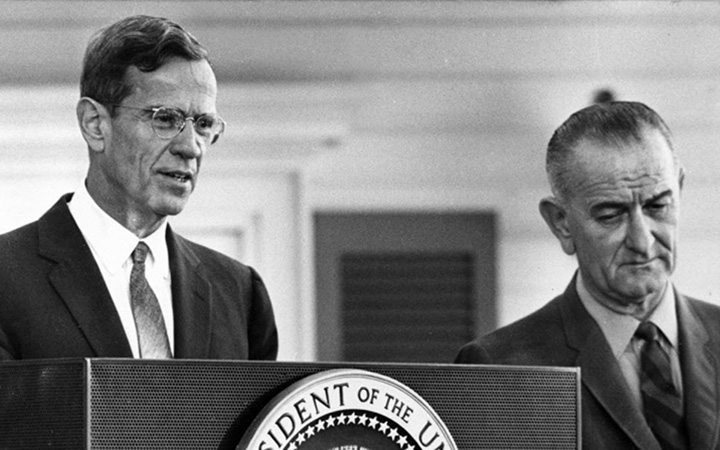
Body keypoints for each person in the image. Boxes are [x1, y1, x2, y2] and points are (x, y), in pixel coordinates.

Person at [0, 15, 278, 360]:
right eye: (165, 118)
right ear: (95, 125)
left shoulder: (240, 294)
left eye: (204, 124)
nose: (191, 147)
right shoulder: (6, 278)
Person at [455, 101, 720, 449]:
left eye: (658, 206)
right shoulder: (497, 371)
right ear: (561, 223)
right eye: (611, 215)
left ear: (679, 191)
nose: (642, 242)